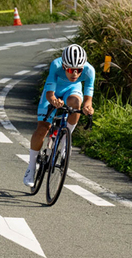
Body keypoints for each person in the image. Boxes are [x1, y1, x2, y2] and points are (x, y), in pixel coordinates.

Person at [24, 44, 95, 186]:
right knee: (42, 128)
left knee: (76, 104)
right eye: (70, 70)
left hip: (73, 90)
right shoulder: (55, 65)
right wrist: (54, 102)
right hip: (54, 90)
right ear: (64, 66)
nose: (74, 74)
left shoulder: (89, 70)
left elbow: (88, 100)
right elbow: (50, 94)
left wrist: (88, 108)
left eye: (78, 70)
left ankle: (65, 138)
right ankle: (31, 168)